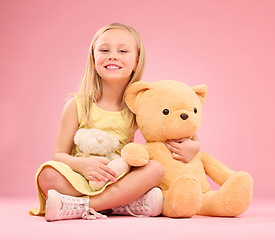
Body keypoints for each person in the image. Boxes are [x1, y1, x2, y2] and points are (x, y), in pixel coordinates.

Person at [29, 23, 200, 221]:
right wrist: (83, 165)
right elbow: (59, 154)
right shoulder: (77, 104)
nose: (113, 55)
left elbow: (180, 128)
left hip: (119, 176)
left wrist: (194, 146)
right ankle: (121, 204)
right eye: (104, 50)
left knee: (155, 170)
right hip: (84, 177)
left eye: (122, 50)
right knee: (47, 174)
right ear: (93, 59)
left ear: (136, 61)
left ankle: (82, 206)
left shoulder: (141, 104)